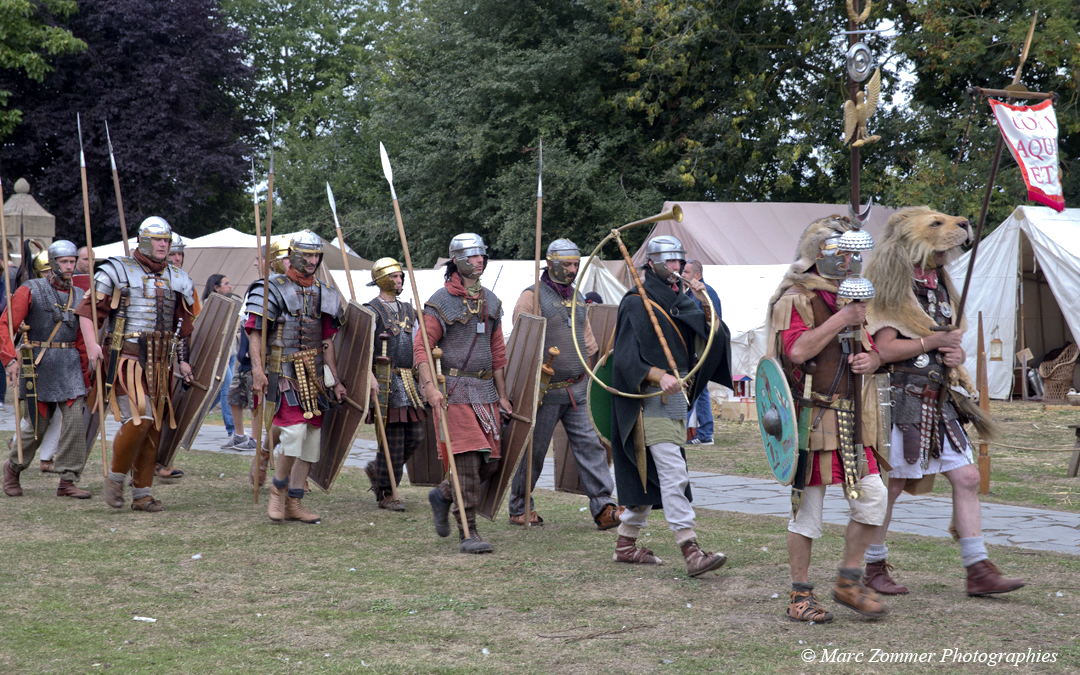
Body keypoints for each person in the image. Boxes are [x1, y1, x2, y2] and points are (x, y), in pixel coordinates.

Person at [862, 206, 1024, 598]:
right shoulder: (889, 284)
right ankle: (872, 565)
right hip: (900, 398)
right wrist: (933, 343)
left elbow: (948, 341)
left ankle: (977, 568)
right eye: (934, 226)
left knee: (967, 477)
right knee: (894, 484)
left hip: (940, 395)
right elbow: (883, 348)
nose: (952, 233)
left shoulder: (939, 283)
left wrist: (955, 356)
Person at [764, 215, 889, 622]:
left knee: (874, 499)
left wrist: (870, 358)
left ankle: (848, 580)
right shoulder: (795, 297)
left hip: (853, 420)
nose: (851, 261)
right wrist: (840, 319)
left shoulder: (850, 295)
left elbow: (867, 350)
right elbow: (797, 351)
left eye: (855, 253)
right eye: (844, 253)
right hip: (813, 419)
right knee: (808, 511)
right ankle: (800, 594)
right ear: (820, 253)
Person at [609, 234, 732, 578]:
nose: (678, 267)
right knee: (673, 473)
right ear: (653, 263)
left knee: (651, 478)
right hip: (649, 401)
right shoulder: (636, 301)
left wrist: (704, 305)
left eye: (681, 261)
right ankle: (690, 549)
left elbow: (710, 338)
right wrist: (657, 374)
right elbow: (624, 359)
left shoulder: (684, 298)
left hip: (678, 400)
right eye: (671, 261)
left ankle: (625, 545)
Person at [77, 217, 196, 512]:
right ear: (143, 240)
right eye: (158, 240)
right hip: (128, 360)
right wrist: (92, 344)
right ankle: (116, 477)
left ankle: (142, 494)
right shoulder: (117, 270)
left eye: (167, 241)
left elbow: (182, 326)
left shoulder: (178, 277)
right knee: (139, 417)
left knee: (154, 427)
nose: (163, 245)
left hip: (161, 363)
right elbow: (88, 312)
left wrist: (183, 362)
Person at [507, 238, 622, 529]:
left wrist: (594, 377)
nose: (573, 270)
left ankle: (604, 506)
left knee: (591, 447)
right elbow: (522, 339)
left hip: (578, 389)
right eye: (567, 264)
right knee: (533, 452)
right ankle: (520, 507)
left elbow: (588, 344)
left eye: (576, 264)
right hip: (545, 390)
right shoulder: (532, 296)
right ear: (552, 263)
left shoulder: (579, 297)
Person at [417, 233, 511, 554]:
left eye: (482, 255)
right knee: (468, 462)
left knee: (492, 462)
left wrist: (504, 394)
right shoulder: (440, 302)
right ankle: (468, 532)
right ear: (457, 260)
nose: (480, 261)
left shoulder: (491, 301)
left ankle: (443, 494)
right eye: (472, 256)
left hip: (484, 391)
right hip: (454, 390)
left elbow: (498, 353)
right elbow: (423, 347)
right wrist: (430, 387)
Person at [247, 230, 347, 524]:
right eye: (308, 255)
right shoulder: (270, 288)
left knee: (311, 441)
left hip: (314, 376)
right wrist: (257, 370)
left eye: (317, 255)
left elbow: (327, 341)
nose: (313, 260)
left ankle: (294, 501)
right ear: (292, 256)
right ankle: (278, 491)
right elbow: (255, 332)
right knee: (294, 433)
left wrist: (335, 379)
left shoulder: (326, 293)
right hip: (284, 371)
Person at [1, 240, 93, 499]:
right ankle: (13, 467)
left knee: (75, 423)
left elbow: (81, 340)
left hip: (71, 365)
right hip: (38, 365)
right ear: (52, 264)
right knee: (37, 427)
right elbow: (6, 324)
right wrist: (10, 359)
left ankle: (67, 480)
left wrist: (87, 373)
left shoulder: (79, 295)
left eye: (72, 261)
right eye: (64, 262)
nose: (69, 266)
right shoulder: (31, 289)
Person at [363, 258, 425, 511]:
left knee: (417, 435)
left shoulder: (410, 310)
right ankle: (387, 492)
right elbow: (362, 349)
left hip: (409, 380)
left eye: (401, 277)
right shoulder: (371, 310)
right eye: (395, 277)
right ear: (381, 280)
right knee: (393, 439)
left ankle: (379, 470)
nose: (399, 281)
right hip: (386, 381)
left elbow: (419, 344)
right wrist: (369, 377)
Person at [683, 259, 722, 446]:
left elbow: (711, 324)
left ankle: (680, 430)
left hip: (703, 349)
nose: (682, 275)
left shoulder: (706, 293)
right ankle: (706, 433)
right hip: (695, 349)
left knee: (693, 389)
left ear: (697, 275)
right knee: (701, 390)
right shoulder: (690, 293)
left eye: (686, 273)